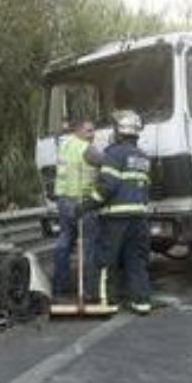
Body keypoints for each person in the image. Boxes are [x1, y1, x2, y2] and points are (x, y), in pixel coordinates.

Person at [83, 110, 152, 314]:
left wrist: (87, 204)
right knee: (136, 261)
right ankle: (141, 303)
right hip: (139, 218)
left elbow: (108, 186)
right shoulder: (143, 157)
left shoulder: (114, 154)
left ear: (119, 133)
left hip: (115, 219)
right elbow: (145, 188)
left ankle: (108, 303)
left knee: (107, 262)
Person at [52, 119, 99, 301]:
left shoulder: (64, 145)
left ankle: (59, 289)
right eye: (89, 131)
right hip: (83, 203)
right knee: (89, 246)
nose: (92, 134)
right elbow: (107, 163)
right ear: (79, 131)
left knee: (64, 242)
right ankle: (89, 291)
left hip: (64, 202)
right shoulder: (86, 148)